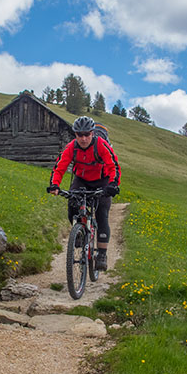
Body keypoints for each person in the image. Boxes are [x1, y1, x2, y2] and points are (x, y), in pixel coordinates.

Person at [47, 116, 120, 271]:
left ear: (92, 133)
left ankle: (102, 254)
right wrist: (55, 185)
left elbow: (113, 165)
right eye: (80, 135)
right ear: (75, 134)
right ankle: (79, 233)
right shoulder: (71, 147)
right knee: (72, 206)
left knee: (102, 214)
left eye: (87, 134)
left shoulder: (101, 145)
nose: (84, 138)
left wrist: (113, 184)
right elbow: (60, 167)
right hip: (81, 180)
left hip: (102, 181)